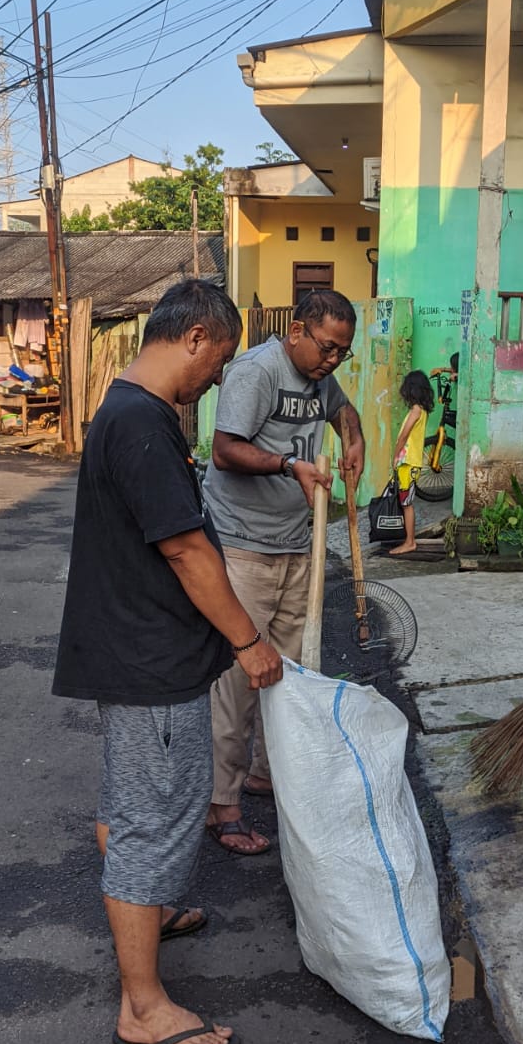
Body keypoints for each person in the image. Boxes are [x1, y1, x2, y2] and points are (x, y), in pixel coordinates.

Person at [52, 281, 283, 1044]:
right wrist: (249, 640)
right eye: (217, 360)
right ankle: (143, 1006)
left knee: (129, 806)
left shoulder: (126, 412)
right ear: (193, 336)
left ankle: (146, 913)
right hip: (152, 664)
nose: (216, 380)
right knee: (154, 819)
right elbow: (186, 550)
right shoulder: (143, 426)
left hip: (133, 653)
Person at [202, 288, 365, 854]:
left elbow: (343, 409)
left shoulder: (321, 378)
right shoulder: (257, 370)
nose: (332, 361)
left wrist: (355, 439)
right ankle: (223, 805)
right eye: (326, 348)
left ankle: (268, 775)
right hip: (244, 547)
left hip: (299, 544)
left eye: (343, 353)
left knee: (292, 674)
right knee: (240, 681)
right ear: (297, 331)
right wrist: (288, 464)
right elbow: (224, 450)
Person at [389, 369, 435, 558]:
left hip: (407, 462)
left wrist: (394, 456)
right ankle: (408, 540)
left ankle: (410, 542)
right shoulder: (422, 411)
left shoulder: (415, 411)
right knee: (405, 502)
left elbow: (403, 437)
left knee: (406, 504)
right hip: (411, 462)